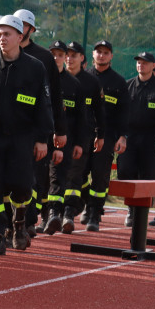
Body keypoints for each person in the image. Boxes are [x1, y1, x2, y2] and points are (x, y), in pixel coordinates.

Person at [0, 15, 53, 256]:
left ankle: (19, 225)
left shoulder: (35, 67)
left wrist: (43, 138)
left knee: (22, 186)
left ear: (20, 37)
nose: (2, 39)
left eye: (7, 34)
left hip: (23, 137)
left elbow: (43, 104)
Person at [12, 9, 67, 236]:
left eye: (24, 25)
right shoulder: (3, 51)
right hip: (5, 126)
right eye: (16, 24)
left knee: (32, 176)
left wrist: (59, 130)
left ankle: (27, 220)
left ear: (31, 29)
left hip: (34, 129)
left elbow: (54, 96)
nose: (20, 28)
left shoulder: (44, 57)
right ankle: (7, 222)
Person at [84, 40, 129, 231]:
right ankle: (85, 204)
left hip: (107, 136)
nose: (101, 55)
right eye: (98, 52)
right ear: (92, 54)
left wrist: (122, 136)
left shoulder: (119, 82)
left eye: (105, 52)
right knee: (77, 175)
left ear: (111, 56)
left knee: (100, 176)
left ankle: (94, 214)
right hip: (83, 134)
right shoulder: (83, 77)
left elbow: (124, 113)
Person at [41, 40, 83, 234]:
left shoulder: (75, 84)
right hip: (41, 136)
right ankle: (40, 217)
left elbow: (82, 118)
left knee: (58, 177)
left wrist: (79, 143)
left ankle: (54, 215)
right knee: (39, 178)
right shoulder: (40, 77)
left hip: (65, 139)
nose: (57, 58)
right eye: (53, 54)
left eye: (60, 54)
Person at [63, 41, 104, 233]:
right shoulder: (56, 78)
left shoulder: (91, 82)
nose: (69, 58)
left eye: (74, 55)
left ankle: (69, 213)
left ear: (82, 59)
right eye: (67, 55)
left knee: (74, 173)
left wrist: (100, 134)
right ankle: (51, 213)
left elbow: (99, 111)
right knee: (53, 176)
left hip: (81, 135)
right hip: (56, 134)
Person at [119, 53, 155, 215]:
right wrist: (119, 136)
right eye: (139, 62)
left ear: (153, 66)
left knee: (147, 175)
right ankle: (131, 208)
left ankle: (139, 213)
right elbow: (119, 113)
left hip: (152, 138)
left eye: (145, 63)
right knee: (125, 171)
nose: (141, 65)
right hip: (129, 137)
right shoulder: (127, 86)